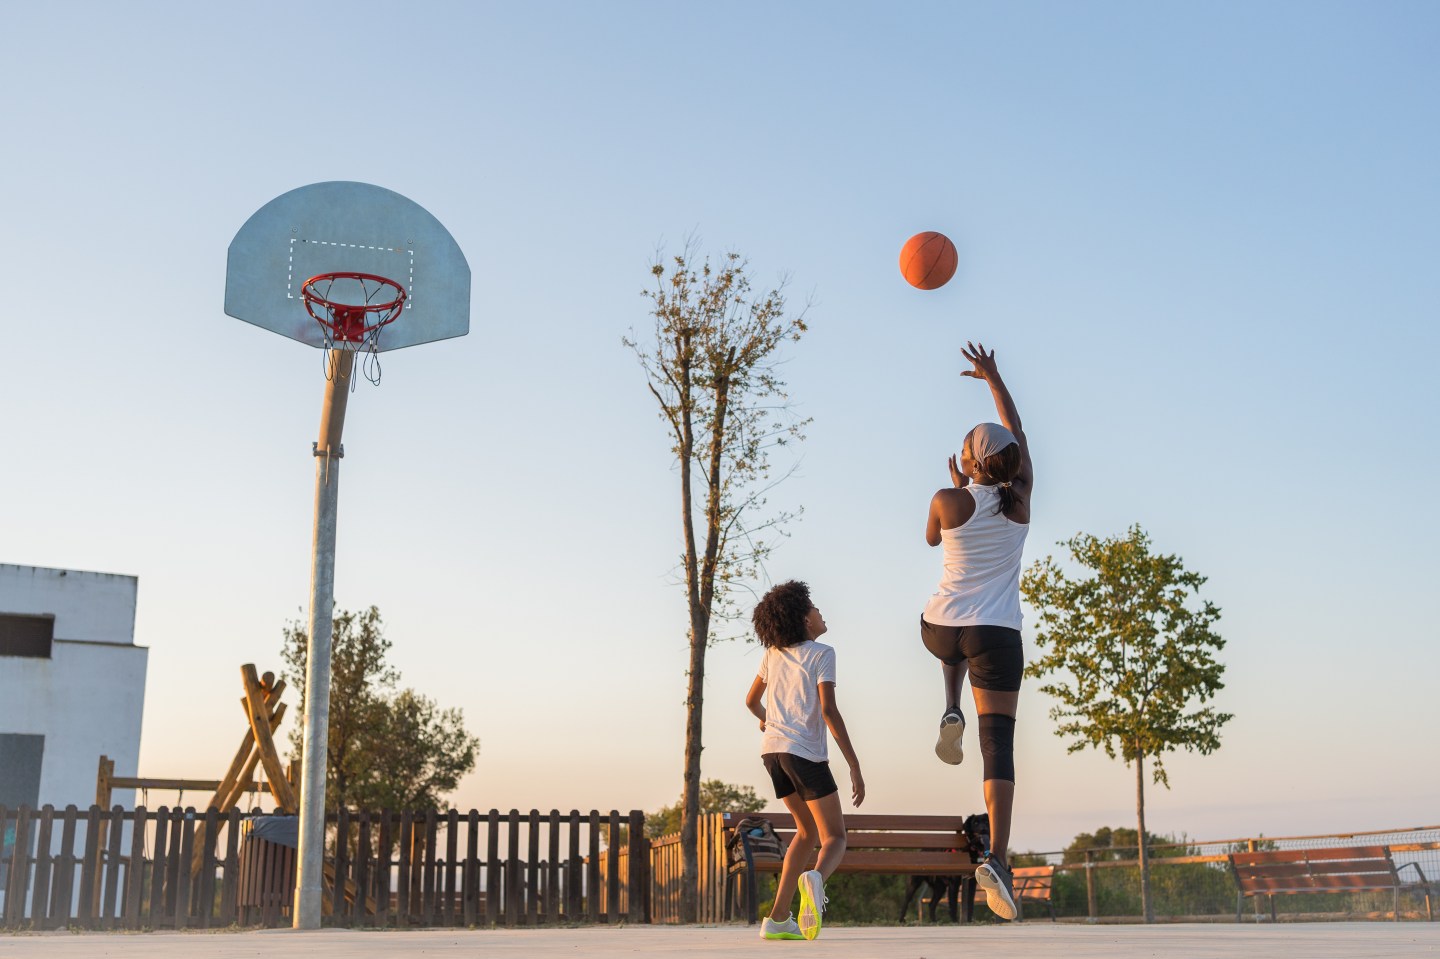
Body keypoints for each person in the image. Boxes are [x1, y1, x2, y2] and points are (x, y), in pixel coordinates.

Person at [920, 341, 1033, 921]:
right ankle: (998, 857)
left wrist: (955, 489)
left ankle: (948, 703)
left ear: (968, 463)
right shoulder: (1021, 504)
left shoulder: (946, 498)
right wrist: (995, 378)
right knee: (999, 748)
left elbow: (932, 540)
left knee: (948, 637)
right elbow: (1017, 433)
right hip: (997, 637)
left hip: (942, 631)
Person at [745, 580, 865, 941]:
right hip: (804, 755)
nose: (820, 612)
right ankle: (815, 878)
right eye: (814, 608)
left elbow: (751, 702)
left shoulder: (772, 655)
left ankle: (778, 918)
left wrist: (768, 720)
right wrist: (854, 765)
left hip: (773, 753)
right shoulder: (822, 653)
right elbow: (828, 709)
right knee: (835, 837)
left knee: (805, 831)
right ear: (803, 620)